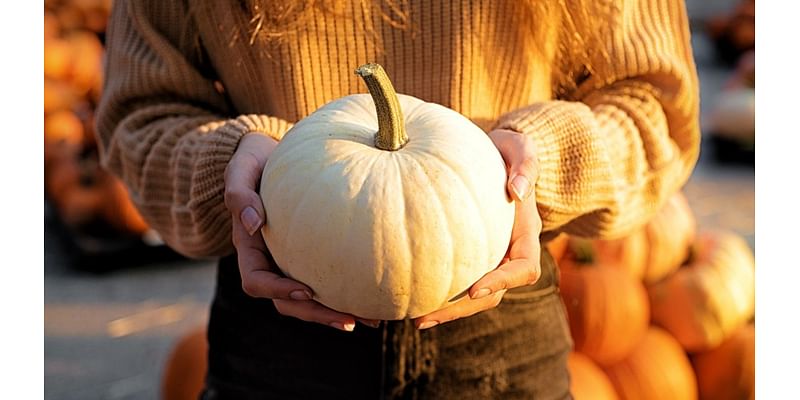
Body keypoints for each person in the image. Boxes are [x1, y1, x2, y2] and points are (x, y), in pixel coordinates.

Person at [96, 0, 700, 398]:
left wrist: (540, 162)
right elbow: (139, 118)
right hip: (282, 317)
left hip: (501, 317)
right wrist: (226, 163)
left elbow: (657, 112)